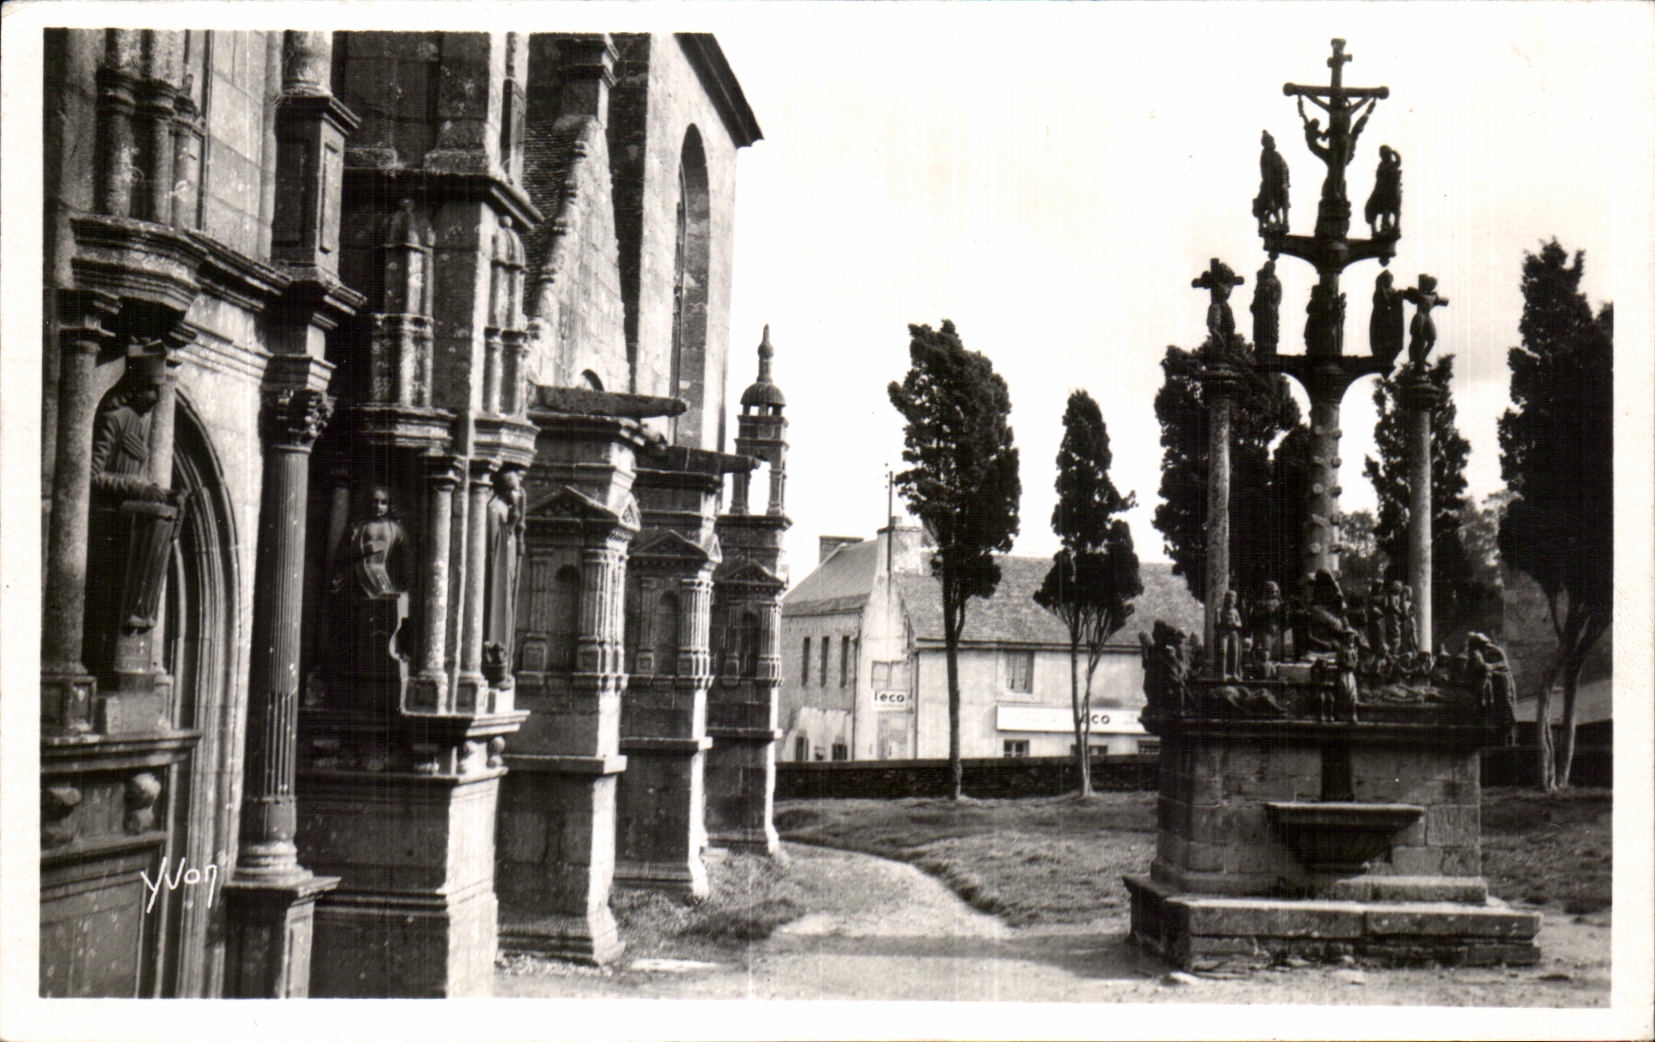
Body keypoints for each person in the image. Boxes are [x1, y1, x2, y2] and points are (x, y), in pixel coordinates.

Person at [483, 468, 527, 680]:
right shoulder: (495, 508)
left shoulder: (504, 508)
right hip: (498, 571)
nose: (517, 495)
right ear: (505, 490)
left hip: (507, 568)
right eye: (514, 489)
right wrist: (511, 523)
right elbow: (495, 545)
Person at [1369, 270, 1404, 367]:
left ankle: (1389, 350)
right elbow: (1378, 302)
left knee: (1390, 334)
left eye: (1390, 279)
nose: (1389, 281)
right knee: (1381, 334)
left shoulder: (1394, 291)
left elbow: (1397, 303)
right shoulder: (1379, 290)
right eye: (1387, 279)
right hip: (1380, 317)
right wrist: (1382, 291)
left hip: (1391, 317)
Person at [1251, 260, 1282, 355]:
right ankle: (1260, 347)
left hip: (1269, 310)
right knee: (1260, 331)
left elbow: (1278, 298)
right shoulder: (1261, 282)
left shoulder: (1275, 282)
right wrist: (1254, 305)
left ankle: (1269, 348)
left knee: (1270, 331)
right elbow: (1257, 296)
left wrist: (1273, 306)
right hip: (1260, 310)